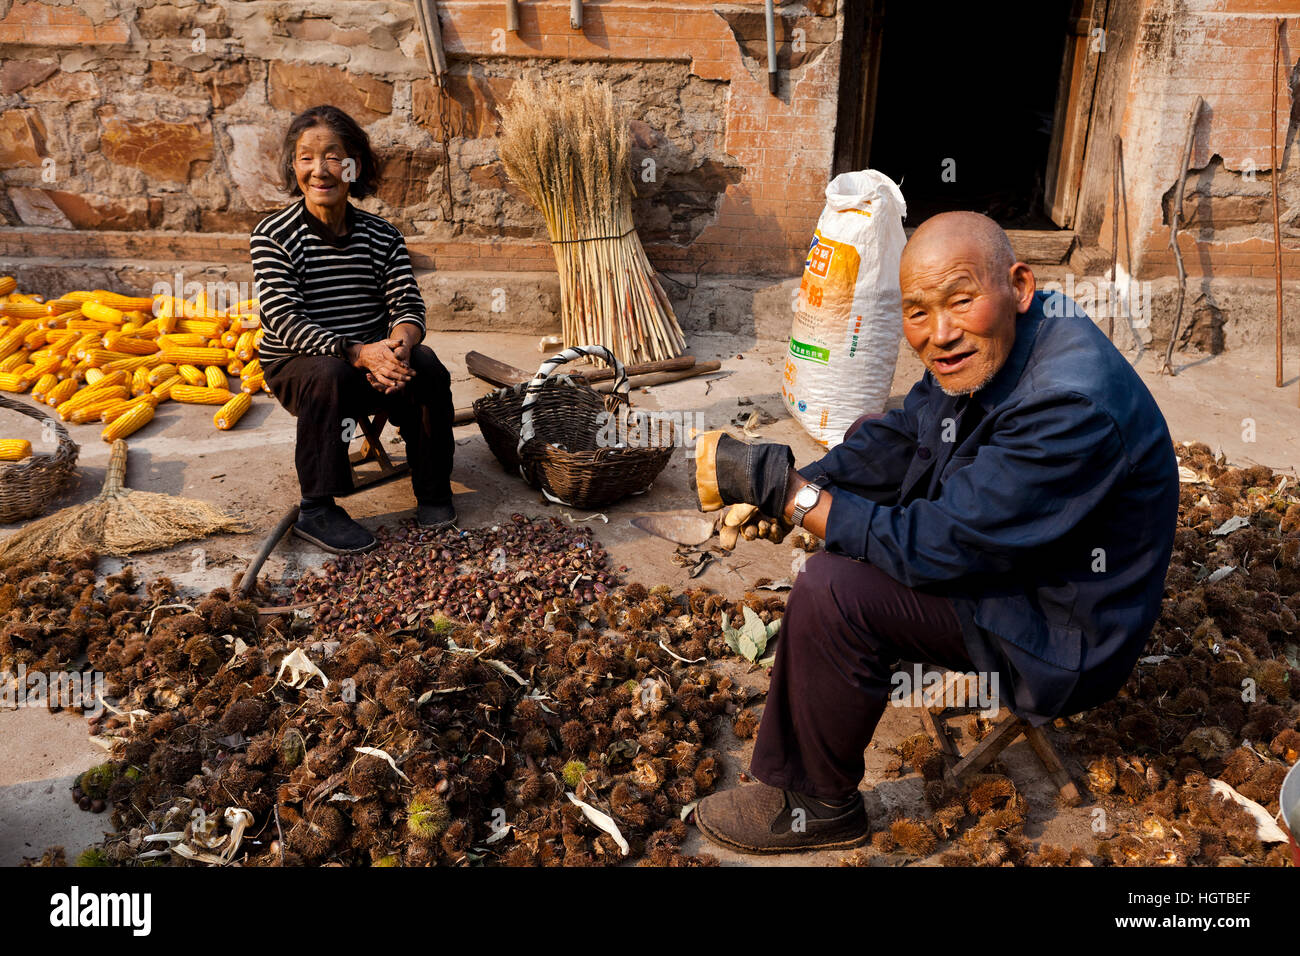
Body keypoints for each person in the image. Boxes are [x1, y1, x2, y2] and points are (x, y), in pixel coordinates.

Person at [690, 211, 1180, 854]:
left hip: (1061, 630)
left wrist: (793, 496)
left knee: (832, 588)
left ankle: (816, 804)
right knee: (872, 449)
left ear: (1019, 285)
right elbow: (908, 435)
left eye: (961, 301)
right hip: (1015, 561)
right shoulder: (1008, 334)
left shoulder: (1070, 402)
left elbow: (939, 547)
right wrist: (804, 478)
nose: (940, 334)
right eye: (918, 312)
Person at [249, 105, 457, 554]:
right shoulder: (273, 235)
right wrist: (358, 352)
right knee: (331, 372)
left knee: (429, 367)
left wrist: (399, 346)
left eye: (332, 156)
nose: (319, 169)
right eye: (306, 157)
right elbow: (282, 319)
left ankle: (434, 491)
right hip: (302, 367)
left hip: (373, 362)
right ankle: (317, 509)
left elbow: (407, 304)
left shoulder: (383, 236)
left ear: (354, 166)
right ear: (293, 166)